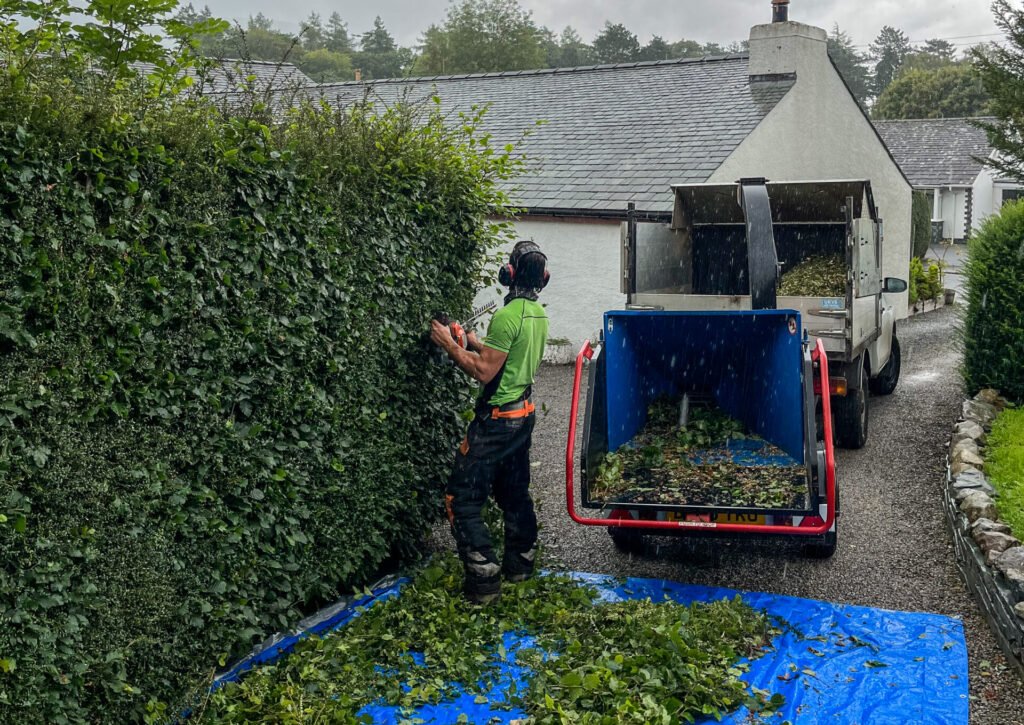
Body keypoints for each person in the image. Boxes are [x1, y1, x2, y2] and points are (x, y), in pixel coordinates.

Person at [429, 241, 550, 604]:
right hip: (522, 416)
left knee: (461, 497)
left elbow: (484, 372)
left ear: (509, 274)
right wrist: (471, 340)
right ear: (542, 279)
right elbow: (504, 357)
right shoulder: (537, 315)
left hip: (496, 423)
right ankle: (520, 567)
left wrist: (450, 345)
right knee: (513, 493)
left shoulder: (507, 316)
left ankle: (484, 583)